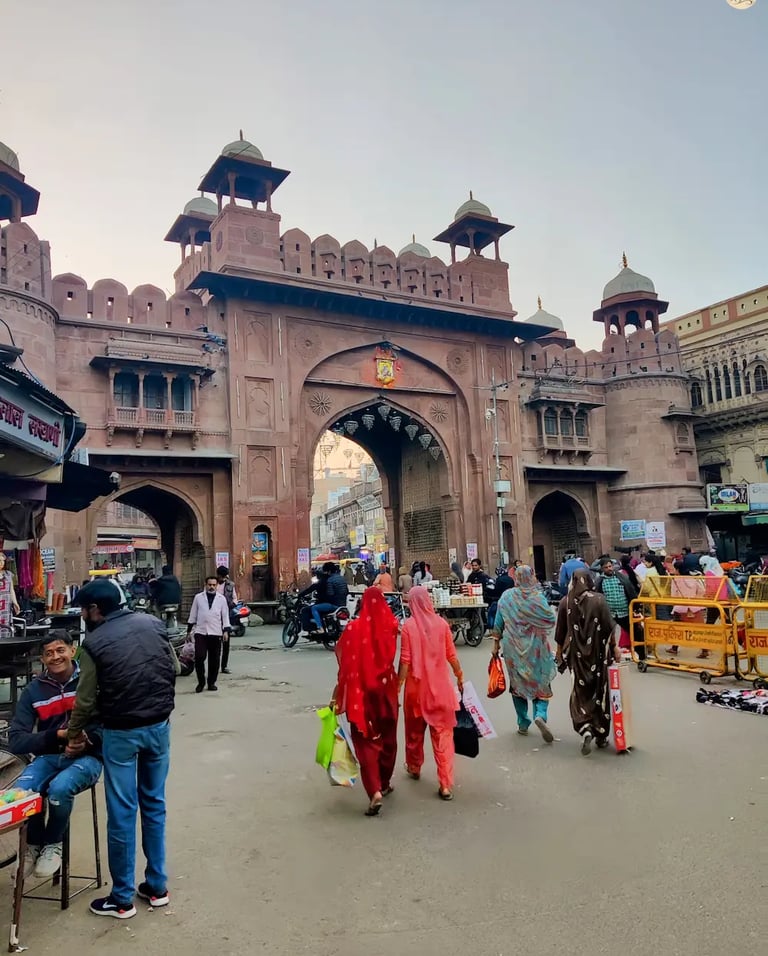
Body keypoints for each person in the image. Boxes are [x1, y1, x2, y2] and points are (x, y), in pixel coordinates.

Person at [69, 580, 176, 919]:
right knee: (154, 803)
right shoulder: (154, 623)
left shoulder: (92, 644)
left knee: (122, 812)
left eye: (84, 610)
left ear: (95, 610)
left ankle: (122, 897)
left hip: (121, 733)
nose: (83, 616)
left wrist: (74, 734)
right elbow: (173, 668)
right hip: (159, 726)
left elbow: (84, 700)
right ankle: (157, 886)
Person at [9, 630, 102, 880]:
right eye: (49, 653)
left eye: (61, 650)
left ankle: (53, 843)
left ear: (73, 651)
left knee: (59, 790)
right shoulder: (33, 691)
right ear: (42, 658)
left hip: (88, 758)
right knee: (23, 792)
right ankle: (34, 844)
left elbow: (110, 723)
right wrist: (56, 736)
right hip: (48, 757)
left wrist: (87, 741)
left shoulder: (91, 682)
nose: (55, 657)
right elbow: (16, 739)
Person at [329, 588, 399, 816]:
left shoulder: (352, 629)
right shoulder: (390, 627)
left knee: (366, 743)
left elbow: (345, 667)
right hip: (386, 692)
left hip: (361, 696)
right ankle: (385, 782)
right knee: (388, 739)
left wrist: (337, 695)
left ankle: (375, 791)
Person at [397, 587, 463, 801]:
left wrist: (398, 685)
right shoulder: (442, 624)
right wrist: (459, 675)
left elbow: (405, 661)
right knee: (443, 736)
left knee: (414, 734)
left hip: (416, 691)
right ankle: (445, 784)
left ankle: (414, 767)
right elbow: (451, 655)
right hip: (441, 689)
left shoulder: (408, 627)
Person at [555, 570, 620, 755]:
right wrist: (614, 648)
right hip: (599, 656)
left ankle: (584, 727)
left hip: (576, 658)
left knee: (580, 692)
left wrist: (559, 654)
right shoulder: (599, 600)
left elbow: (560, 633)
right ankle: (600, 734)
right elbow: (608, 627)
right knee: (600, 691)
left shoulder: (565, 602)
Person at [491, 566, 557, 742]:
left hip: (512, 648)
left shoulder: (506, 597)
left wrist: (495, 644)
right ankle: (540, 715)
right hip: (536, 648)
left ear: (516, 578)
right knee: (541, 682)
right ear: (531, 577)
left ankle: (523, 722)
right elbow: (550, 619)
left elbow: (498, 623)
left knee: (517, 684)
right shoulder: (537, 597)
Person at [188, 575, 231, 692]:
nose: (211, 587)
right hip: (201, 632)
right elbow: (193, 614)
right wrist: (189, 631)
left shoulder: (221, 599)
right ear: (205, 585)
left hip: (216, 632)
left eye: (213, 585)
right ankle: (201, 682)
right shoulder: (198, 598)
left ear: (217, 586)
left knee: (214, 660)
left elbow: (225, 616)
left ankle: (211, 682)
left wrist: (226, 631)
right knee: (199, 657)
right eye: (209, 585)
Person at [594, 557, 639, 653]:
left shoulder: (622, 578)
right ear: (602, 569)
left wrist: (636, 607)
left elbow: (631, 591)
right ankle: (608, 657)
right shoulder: (599, 581)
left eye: (610, 566)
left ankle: (641, 655)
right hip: (609, 614)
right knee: (605, 637)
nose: (609, 568)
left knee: (636, 633)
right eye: (606, 567)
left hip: (624, 613)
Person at [298, 562, 348, 635]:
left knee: (314, 608)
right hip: (343, 604)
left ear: (329, 571)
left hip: (333, 604)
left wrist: (320, 596)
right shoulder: (342, 578)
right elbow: (346, 591)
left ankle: (320, 628)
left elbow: (330, 594)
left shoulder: (330, 580)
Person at [216, 565, 238, 674]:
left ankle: (224, 666)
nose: (223, 579)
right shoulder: (212, 584)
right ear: (218, 575)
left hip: (226, 616)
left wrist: (230, 605)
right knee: (215, 644)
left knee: (226, 643)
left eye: (225, 577)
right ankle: (214, 665)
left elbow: (235, 599)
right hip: (214, 617)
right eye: (222, 577)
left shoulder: (230, 585)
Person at [487, 566, 515, 631]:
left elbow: (497, 590)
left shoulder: (499, 580)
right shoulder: (510, 579)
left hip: (500, 599)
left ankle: (492, 629)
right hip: (510, 600)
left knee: (492, 612)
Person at [0, 551, 20, 637]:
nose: (1, 563)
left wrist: (15, 602)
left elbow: (11, 590)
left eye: (2, 561)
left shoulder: (8, 574)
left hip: (6, 607)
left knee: (6, 627)